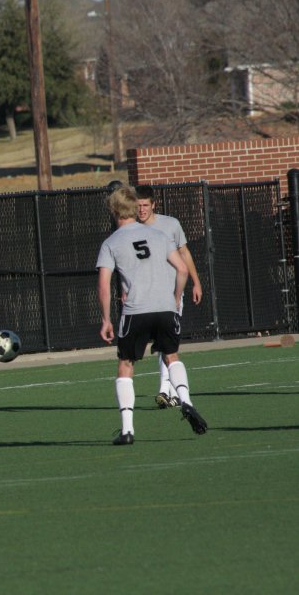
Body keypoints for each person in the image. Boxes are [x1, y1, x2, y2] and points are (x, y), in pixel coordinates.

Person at [96, 186, 208, 445]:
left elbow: (104, 285)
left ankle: (127, 430)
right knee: (172, 356)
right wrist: (176, 296)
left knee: (126, 364)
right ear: (136, 208)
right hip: (165, 308)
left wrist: (106, 319)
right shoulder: (158, 235)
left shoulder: (111, 242)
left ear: (114, 210)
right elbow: (181, 269)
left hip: (136, 311)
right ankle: (187, 403)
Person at [135, 186, 203, 409]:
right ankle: (171, 391)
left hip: (172, 292)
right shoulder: (131, 229)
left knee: (167, 341)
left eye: (145, 205)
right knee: (161, 342)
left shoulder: (170, 224)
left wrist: (196, 282)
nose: (142, 209)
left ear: (154, 204)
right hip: (145, 294)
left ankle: (166, 390)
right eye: (138, 205)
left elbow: (184, 253)